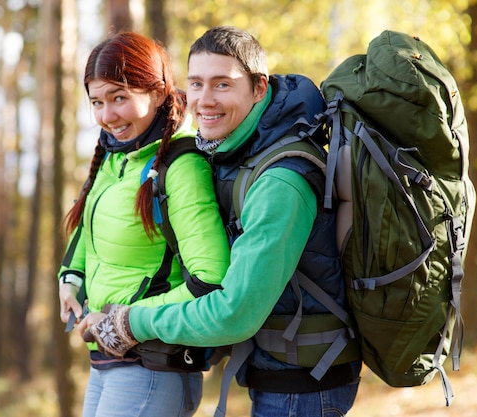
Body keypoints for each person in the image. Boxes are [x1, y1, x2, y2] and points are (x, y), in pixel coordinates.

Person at [79, 26, 363, 417]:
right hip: (277, 372)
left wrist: (132, 322)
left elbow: (233, 313)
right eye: (196, 83)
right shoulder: (237, 152)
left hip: (303, 386)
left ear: (259, 88)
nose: (204, 100)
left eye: (222, 85)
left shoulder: (280, 181)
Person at [58, 31, 230, 417]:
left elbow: (210, 280)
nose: (107, 116)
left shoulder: (181, 166)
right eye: (97, 102)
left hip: (152, 366)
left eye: (120, 97)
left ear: (156, 91)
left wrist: (123, 320)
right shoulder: (116, 157)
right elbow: (88, 227)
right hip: (108, 359)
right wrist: (71, 276)